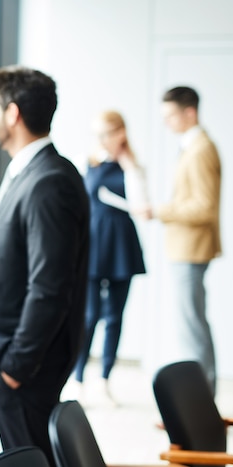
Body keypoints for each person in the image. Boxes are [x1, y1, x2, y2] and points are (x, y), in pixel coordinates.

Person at [0, 65, 89, 464]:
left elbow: (49, 286)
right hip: (20, 361)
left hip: (28, 367)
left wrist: (16, 366)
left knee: (31, 458)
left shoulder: (48, 181)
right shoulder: (34, 171)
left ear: (12, 114)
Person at [148, 86, 221, 393]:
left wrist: (160, 211)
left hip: (191, 249)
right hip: (183, 248)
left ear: (189, 112)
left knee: (192, 329)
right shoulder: (191, 146)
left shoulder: (201, 148)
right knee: (190, 326)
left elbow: (205, 207)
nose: (167, 123)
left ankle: (201, 402)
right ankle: (199, 399)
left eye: (170, 116)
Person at [71, 110, 147, 406]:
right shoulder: (85, 162)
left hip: (121, 246)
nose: (100, 140)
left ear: (121, 133)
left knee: (115, 316)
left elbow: (141, 205)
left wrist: (129, 165)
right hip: (92, 244)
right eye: (97, 134)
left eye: (106, 134)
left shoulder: (134, 167)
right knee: (88, 316)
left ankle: (104, 380)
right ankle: (78, 379)